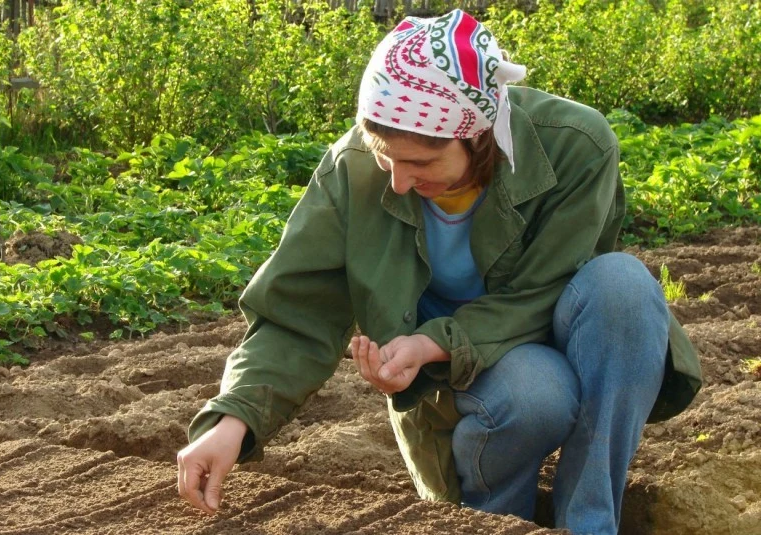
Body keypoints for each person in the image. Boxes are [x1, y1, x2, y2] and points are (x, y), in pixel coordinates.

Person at [177, 9, 701, 535]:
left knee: (625, 285)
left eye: (421, 165)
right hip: (464, 380)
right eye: (387, 159)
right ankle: (494, 521)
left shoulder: (575, 145)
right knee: (537, 392)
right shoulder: (352, 168)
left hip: (545, 326)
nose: (400, 182)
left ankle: (590, 523)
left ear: (477, 136)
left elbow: (547, 288)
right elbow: (297, 311)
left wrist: (432, 340)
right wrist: (233, 420)